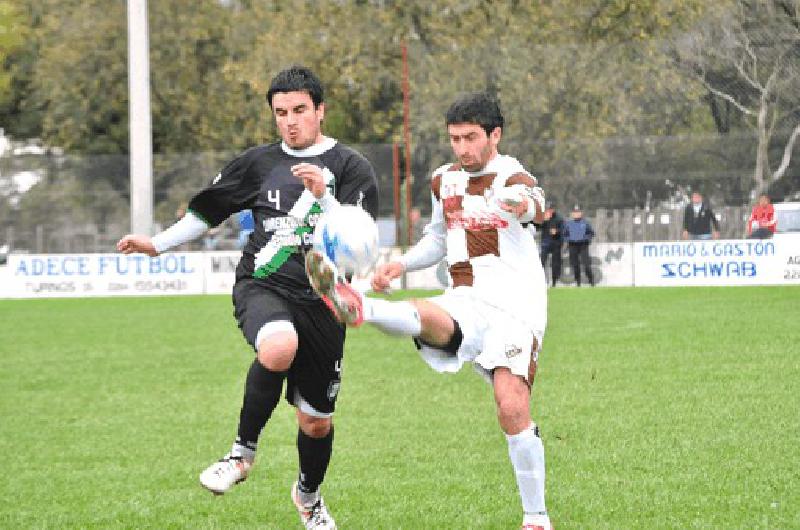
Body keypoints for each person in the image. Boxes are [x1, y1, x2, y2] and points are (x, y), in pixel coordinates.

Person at [117, 66, 378, 530]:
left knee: (316, 422)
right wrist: (158, 243)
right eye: (281, 113)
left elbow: (359, 239)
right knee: (278, 346)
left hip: (323, 299)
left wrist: (325, 198)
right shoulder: (257, 163)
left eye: (299, 110)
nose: (290, 121)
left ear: (320, 110)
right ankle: (240, 456)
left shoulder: (351, 167)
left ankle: (309, 497)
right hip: (263, 283)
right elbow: (209, 210)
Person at [304, 93, 553, 530]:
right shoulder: (443, 181)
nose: (462, 148)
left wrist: (523, 205)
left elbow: (533, 200)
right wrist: (402, 263)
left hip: (515, 307)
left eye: (471, 138)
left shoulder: (510, 174)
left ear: (495, 135)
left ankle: (536, 518)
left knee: (511, 406)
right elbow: (438, 239)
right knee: (425, 313)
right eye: (455, 138)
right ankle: (360, 307)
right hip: (465, 299)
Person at [563, 204, 595, 287]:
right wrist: (568, 240)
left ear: (581, 213)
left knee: (586, 265)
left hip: (583, 245)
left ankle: (591, 281)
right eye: (575, 212)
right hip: (572, 245)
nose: (576, 214)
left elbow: (591, 233)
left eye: (578, 212)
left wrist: (586, 238)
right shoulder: (569, 224)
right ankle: (578, 283)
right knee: (575, 265)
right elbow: (565, 235)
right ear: (572, 214)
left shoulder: (585, 223)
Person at [539, 202, 564, 287]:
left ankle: (554, 282)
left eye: (550, 209)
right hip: (545, 243)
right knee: (542, 262)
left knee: (555, 264)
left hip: (556, 243)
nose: (549, 211)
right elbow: (538, 227)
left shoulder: (559, 218)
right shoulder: (543, 217)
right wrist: (544, 221)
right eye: (547, 209)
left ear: (553, 209)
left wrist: (557, 231)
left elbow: (564, 230)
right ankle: (540, 281)